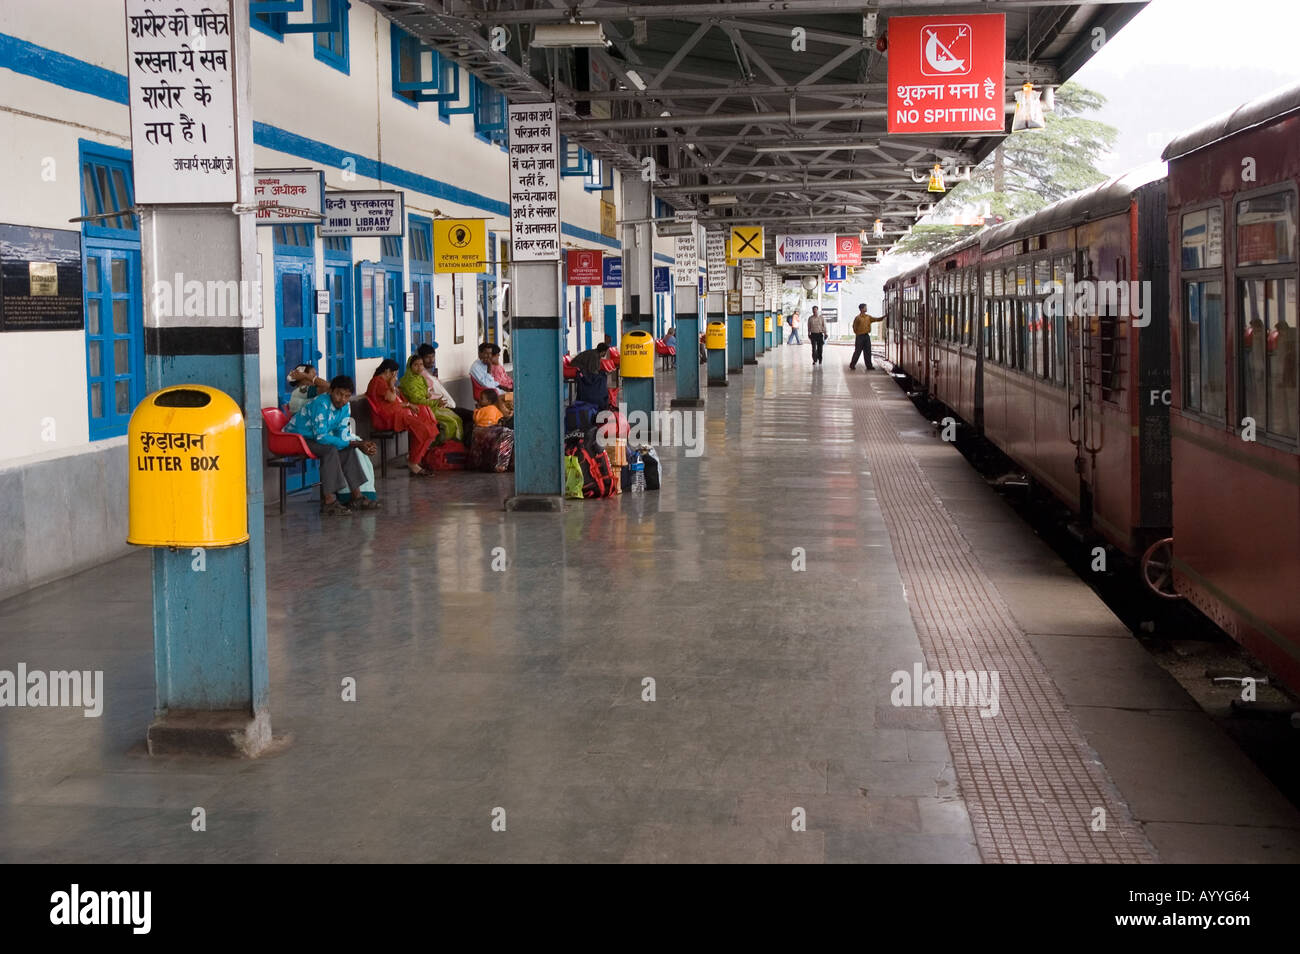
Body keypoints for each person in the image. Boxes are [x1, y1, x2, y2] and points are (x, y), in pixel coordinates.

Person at [284, 375, 380, 516]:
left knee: (347, 449)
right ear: (331, 391)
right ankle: (329, 502)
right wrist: (355, 443)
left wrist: (355, 443)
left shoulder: (345, 406)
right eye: (339, 394)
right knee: (330, 450)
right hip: (296, 438)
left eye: (347, 396)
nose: (342, 399)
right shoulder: (320, 404)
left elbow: (342, 433)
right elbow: (321, 437)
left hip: (313, 438)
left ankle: (357, 497)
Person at [366, 358, 439, 477]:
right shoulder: (378, 381)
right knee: (424, 429)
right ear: (388, 371)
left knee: (430, 428)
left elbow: (392, 402)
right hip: (388, 418)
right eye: (394, 373)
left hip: (397, 414)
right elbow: (391, 398)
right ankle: (413, 462)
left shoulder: (381, 381)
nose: (395, 376)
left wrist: (408, 405)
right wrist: (392, 384)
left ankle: (415, 458)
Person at [399, 354, 463, 443]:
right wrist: (436, 402)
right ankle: (444, 447)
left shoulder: (420, 378)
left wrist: (436, 399)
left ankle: (454, 447)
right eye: (416, 365)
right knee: (451, 422)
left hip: (428, 407)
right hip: (419, 410)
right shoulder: (408, 381)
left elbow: (426, 394)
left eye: (421, 364)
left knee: (456, 418)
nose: (419, 367)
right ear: (410, 366)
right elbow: (416, 400)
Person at [416, 343, 474, 439]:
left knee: (472, 416)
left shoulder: (429, 374)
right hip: (439, 408)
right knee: (469, 416)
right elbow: (426, 396)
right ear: (421, 359)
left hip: (446, 405)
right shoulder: (421, 377)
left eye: (433, 356)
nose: (431, 360)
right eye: (427, 357)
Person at [571, 341, 610, 406]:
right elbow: (592, 370)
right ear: (603, 351)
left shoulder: (596, 354)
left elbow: (595, 369)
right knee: (598, 379)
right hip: (577, 368)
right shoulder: (594, 355)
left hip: (584, 369)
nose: (606, 353)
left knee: (601, 376)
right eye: (605, 351)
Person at [849, 302, 881, 371]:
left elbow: (876, 319)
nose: (866, 308)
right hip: (860, 336)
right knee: (857, 351)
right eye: (865, 307)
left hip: (866, 336)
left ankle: (869, 366)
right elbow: (854, 327)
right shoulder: (857, 318)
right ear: (862, 309)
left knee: (868, 351)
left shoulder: (868, 317)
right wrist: (858, 333)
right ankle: (852, 365)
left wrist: (883, 317)